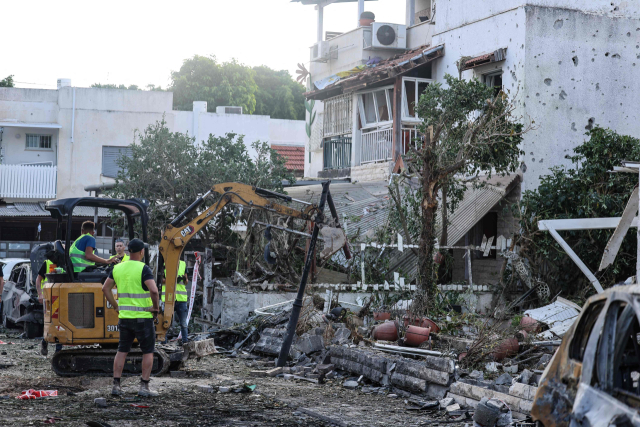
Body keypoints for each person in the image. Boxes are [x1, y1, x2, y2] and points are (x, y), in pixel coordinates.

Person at [102, 239, 159, 397]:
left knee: (122, 350)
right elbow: (154, 291)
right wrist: (155, 307)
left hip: (125, 318)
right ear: (141, 252)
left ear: (128, 251)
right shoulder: (143, 268)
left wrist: (115, 305)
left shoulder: (117, 268)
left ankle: (116, 386)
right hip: (143, 318)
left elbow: (105, 288)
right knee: (147, 351)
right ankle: (144, 387)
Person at [37, 257, 65, 355]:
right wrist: (40, 294)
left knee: (61, 322)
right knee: (49, 322)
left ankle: (58, 349)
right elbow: (38, 280)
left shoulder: (67, 262)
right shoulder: (48, 263)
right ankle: (45, 342)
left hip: (61, 297)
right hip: (49, 298)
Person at [161, 260, 189, 344]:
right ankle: (163, 342)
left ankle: (185, 342)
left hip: (181, 298)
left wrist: (184, 279)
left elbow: (186, 282)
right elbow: (160, 280)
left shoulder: (183, 264)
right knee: (166, 322)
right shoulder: (164, 263)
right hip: (169, 299)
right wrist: (172, 280)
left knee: (183, 323)